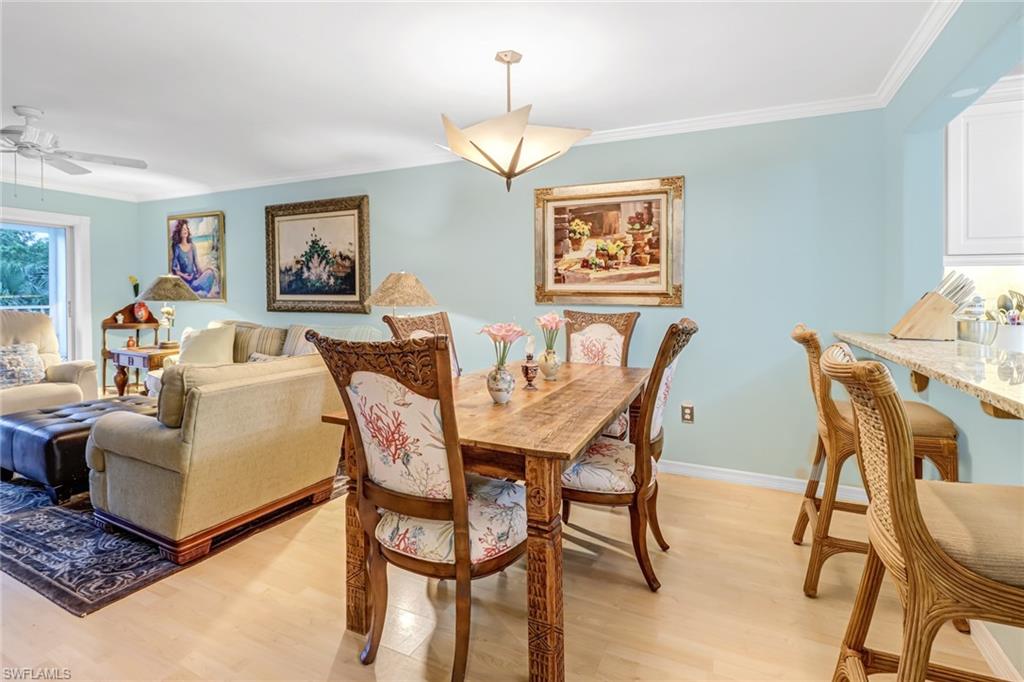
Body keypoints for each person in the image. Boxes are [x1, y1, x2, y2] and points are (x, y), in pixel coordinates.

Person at [170, 219, 218, 296]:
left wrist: (202, 273)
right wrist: (185, 276)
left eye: (186, 229)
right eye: (183, 229)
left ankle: (197, 291)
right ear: (179, 232)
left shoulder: (192, 246)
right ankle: (194, 291)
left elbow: (196, 264)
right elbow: (175, 269)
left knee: (210, 272)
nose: (185, 231)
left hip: (193, 278)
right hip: (184, 281)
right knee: (193, 290)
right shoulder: (177, 248)